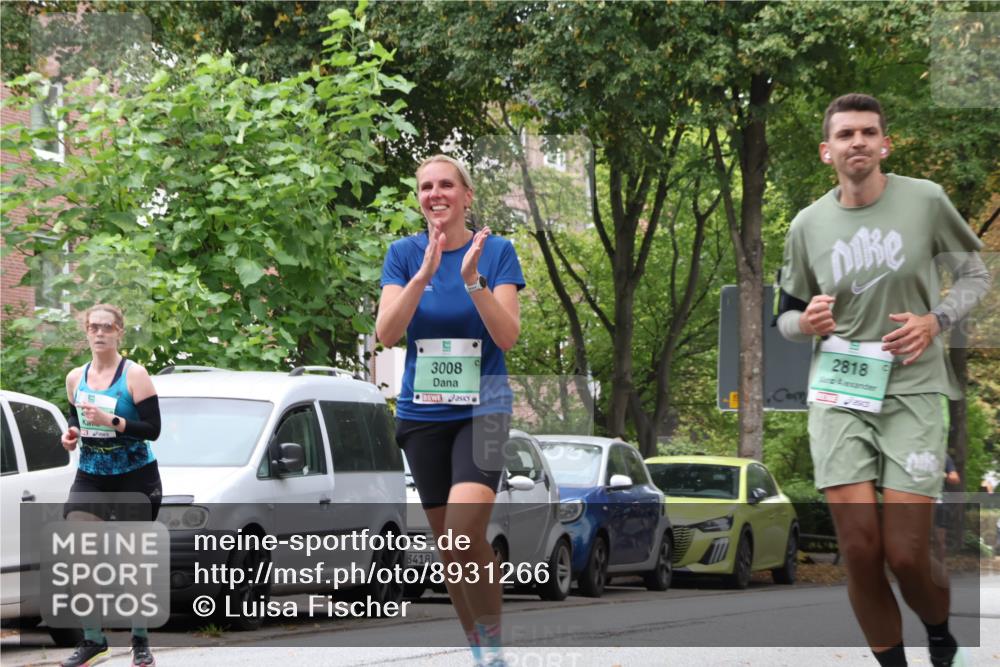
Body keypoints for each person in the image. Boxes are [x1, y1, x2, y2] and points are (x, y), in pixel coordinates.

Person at [777, 93, 989, 667]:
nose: (858, 142)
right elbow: (786, 315)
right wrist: (806, 321)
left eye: (869, 132)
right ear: (828, 151)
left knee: (906, 552)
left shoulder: (925, 201)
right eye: (846, 135)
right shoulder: (807, 224)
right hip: (840, 391)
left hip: (915, 389)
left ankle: (941, 637)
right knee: (860, 548)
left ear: (884, 143)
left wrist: (935, 319)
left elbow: (976, 274)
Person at [377, 155, 524, 667]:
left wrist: (471, 280)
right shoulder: (402, 255)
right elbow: (387, 335)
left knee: (464, 535)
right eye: (425, 187)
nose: (434, 193)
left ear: (466, 195)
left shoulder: (497, 252)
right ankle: (481, 651)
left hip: (484, 410)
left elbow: (507, 335)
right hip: (423, 415)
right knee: (452, 550)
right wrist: (422, 276)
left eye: (445, 185)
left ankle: (493, 649)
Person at [59, 304, 163, 667]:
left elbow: (153, 429)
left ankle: (140, 640)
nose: (99, 333)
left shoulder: (134, 375)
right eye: (93, 327)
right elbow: (77, 418)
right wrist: (71, 435)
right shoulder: (76, 377)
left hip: (135, 474)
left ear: (119, 331)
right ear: (86, 332)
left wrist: (113, 420)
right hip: (92, 474)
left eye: (106, 327)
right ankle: (93, 639)